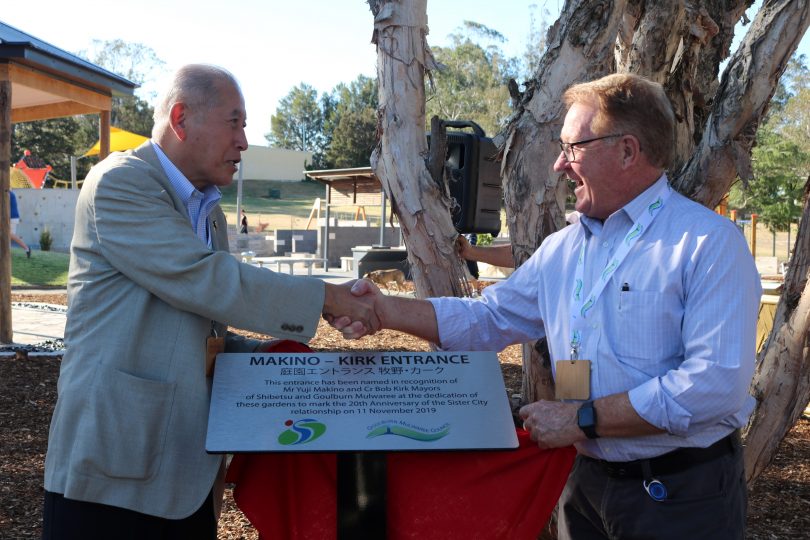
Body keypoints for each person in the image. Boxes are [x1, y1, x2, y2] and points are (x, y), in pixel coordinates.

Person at [335, 73, 761, 539]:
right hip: (586, 485)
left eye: (574, 147)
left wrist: (582, 418)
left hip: (680, 494)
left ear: (627, 150)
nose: (559, 164)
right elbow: (490, 317)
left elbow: (712, 383)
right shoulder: (562, 248)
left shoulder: (707, 243)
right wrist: (383, 310)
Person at [42, 64, 378, 539]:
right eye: (234, 122)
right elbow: (203, 279)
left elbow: (201, 329)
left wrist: (279, 363)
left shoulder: (207, 209)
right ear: (181, 119)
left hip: (181, 477)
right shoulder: (121, 184)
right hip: (112, 473)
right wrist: (324, 296)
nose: (243, 140)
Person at [8, 190, 31, 257]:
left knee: (9, 234)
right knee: (9, 236)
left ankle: (27, 248)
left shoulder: (7, 193)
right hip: (12, 217)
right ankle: (7, 253)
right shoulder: (9, 193)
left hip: (11, 217)